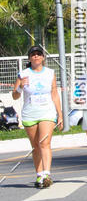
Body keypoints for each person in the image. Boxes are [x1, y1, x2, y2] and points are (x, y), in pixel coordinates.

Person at [12, 45, 63, 188]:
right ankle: (39, 175)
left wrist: (60, 114)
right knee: (35, 147)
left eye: (39, 54)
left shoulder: (50, 73)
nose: (36, 56)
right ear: (29, 58)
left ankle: (47, 173)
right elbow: (15, 96)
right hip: (30, 113)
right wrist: (20, 86)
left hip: (47, 112)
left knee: (44, 143)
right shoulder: (23, 74)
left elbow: (54, 94)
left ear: (43, 57)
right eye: (33, 54)